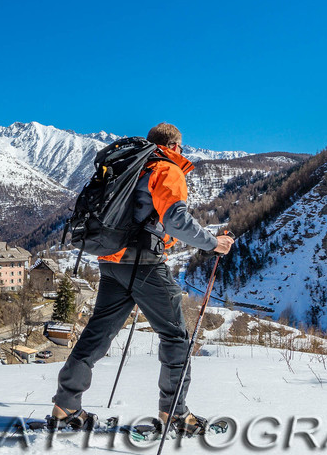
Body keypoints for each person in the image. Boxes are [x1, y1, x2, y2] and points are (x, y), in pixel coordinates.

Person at [51, 122, 234, 435]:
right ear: (174, 146)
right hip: (145, 265)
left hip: (111, 263)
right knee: (175, 337)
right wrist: (213, 243)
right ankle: (175, 415)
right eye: (181, 147)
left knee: (97, 334)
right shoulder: (167, 169)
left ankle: (66, 405)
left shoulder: (129, 167)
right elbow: (175, 220)